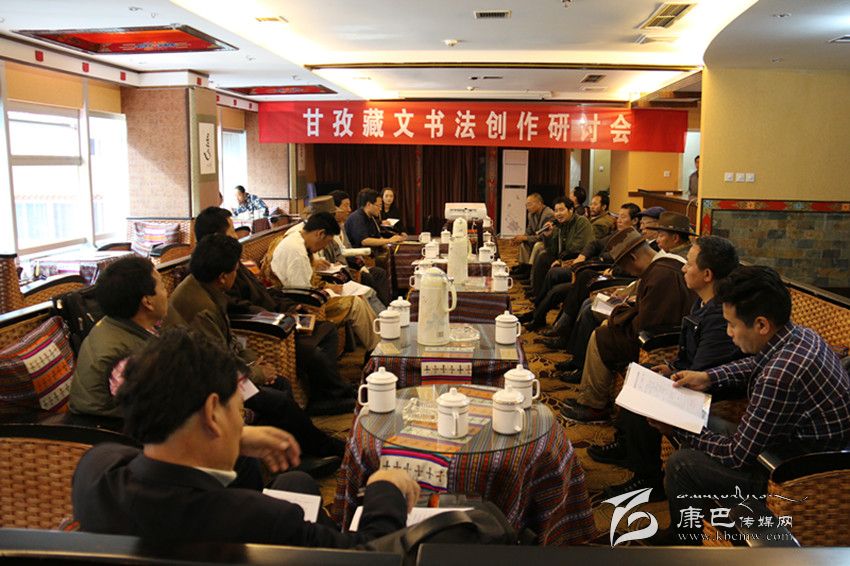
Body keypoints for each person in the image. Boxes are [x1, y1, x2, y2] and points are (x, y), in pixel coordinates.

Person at [73, 327, 419, 547]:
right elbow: (372, 553)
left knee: (296, 481)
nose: (240, 421)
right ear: (212, 413)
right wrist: (384, 486)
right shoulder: (260, 519)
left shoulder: (93, 472)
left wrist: (237, 437)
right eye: (237, 411)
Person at [654, 266, 850, 543]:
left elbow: (737, 455)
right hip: (791, 449)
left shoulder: (780, 376)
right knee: (704, 421)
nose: (729, 332)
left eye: (732, 324)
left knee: (681, 463)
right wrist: (708, 377)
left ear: (761, 325)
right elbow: (757, 363)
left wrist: (676, 429)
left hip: (792, 475)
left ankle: (683, 541)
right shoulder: (800, 335)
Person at [587, 236, 745, 499]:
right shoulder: (702, 301)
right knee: (640, 374)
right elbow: (688, 356)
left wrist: (672, 378)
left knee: (646, 396)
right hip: (692, 378)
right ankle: (626, 446)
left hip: (712, 395)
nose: (683, 268)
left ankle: (648, 479)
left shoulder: (720, 317)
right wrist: (670, 368)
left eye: (689, 264)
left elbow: (704, 372)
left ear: (707, 275)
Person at [166, 234, 346, 460]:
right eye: (235, 270)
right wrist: (256, 373)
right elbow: (216, 364)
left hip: (226, 369)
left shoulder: (205, 287)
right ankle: (320, 448)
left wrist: (252, 362)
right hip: (209, 385)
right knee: (278, 401)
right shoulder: (200, 307)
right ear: (223, 277)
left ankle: (293, 450)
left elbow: (228, 341)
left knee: (280, 384)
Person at [193, 206, 355, 416]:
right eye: (232, 231)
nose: (236, 236)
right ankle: (332, 395)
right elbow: (236, 306)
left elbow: (264, 291)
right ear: (216, 235)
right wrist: (278, 315)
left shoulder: (232, 260)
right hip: (266, 328)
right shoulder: (215, 270)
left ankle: (329, 392)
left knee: (327, 330)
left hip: (277, 314)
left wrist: (289, 306)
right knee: (311, 350)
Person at [561, 227, 695, 422]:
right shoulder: (663, 266)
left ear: (632, 257)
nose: (628, 272)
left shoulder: (662, 275)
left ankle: (594, 406)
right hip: (657, 330)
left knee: (601, 336)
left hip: (659, 342)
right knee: (606, 326)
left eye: (625, 266)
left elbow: (646, 324)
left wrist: (618, 316)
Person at [69, 256, 167, 419]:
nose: (166, 292)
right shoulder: (126, 359)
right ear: (147, 302)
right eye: (163, 285)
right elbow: (153, 410)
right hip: (115, 428)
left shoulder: (116, 322)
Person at [272, 211, 379, 350]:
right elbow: (302, 292)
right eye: (327, 242)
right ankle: (375, 348)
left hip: (309, 295)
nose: (323, 248)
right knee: (356, 304)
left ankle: (377, 344)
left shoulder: (298, 239)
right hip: (303, 305)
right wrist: (328, 291)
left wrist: (328, 287)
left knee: (360, 298)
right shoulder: (297, 252)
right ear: (320, 234)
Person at [325, 191, 391, 307]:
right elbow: (363, 241)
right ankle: (382, 311)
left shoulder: (341, 226)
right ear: (334, 209)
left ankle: (385, 308)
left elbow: (348, 247)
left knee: (379, 273)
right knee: (370, 278)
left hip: (352, 264)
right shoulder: (326, 232)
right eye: (346, 206)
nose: (349, 209)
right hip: (343, 271)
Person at [527, 196, 592, 302]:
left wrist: (560, 260)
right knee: (543, 256)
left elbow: (575, 248)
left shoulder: (581, 222)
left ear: (571, 210)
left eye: (561, 210)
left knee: (552, 267)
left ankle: (542, 299)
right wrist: (548, 236)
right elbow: (552, 250)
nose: (558, 214)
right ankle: (537, 293)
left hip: (577, 260)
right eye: (556, 211)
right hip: (563, 257)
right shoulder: (559, 225)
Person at [510, 193, 554, 278]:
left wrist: (525, 238)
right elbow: (529, 231)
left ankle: (531, 272)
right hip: (538, 238)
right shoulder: (530, 214)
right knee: (523, 244)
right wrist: (520, 238)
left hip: (547, 241)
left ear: (539, 203)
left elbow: (543, 236)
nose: (527, 207)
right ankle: (524, 267)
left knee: (537, 245)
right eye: (526, 205)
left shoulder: (548, 214)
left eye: (529, 204)